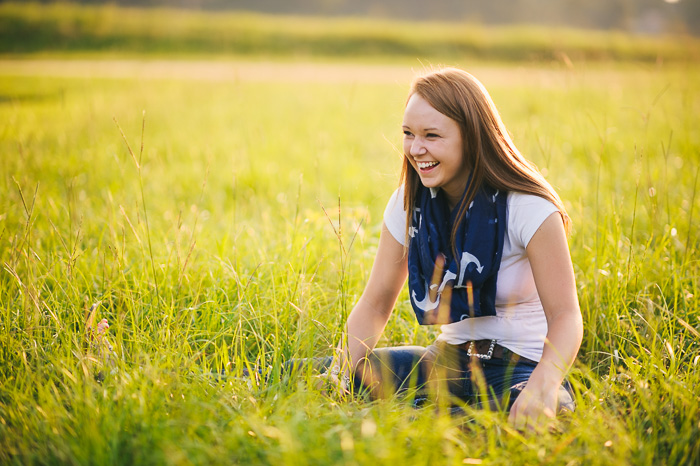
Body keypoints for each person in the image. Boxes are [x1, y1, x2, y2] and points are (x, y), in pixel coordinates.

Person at [319, 67, 583, 430]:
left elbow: (566, 317)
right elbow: (375, 304)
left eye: (431, 135)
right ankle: (428, 421)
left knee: (520, 420)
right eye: (408, 134)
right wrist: (338, 372)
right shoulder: (408, 203)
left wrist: (544, 384)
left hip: (519, 367)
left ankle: (433, 424)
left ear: (472, 137)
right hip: (446, 362)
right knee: (308, 374)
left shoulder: (528, 208)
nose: (415, 148)